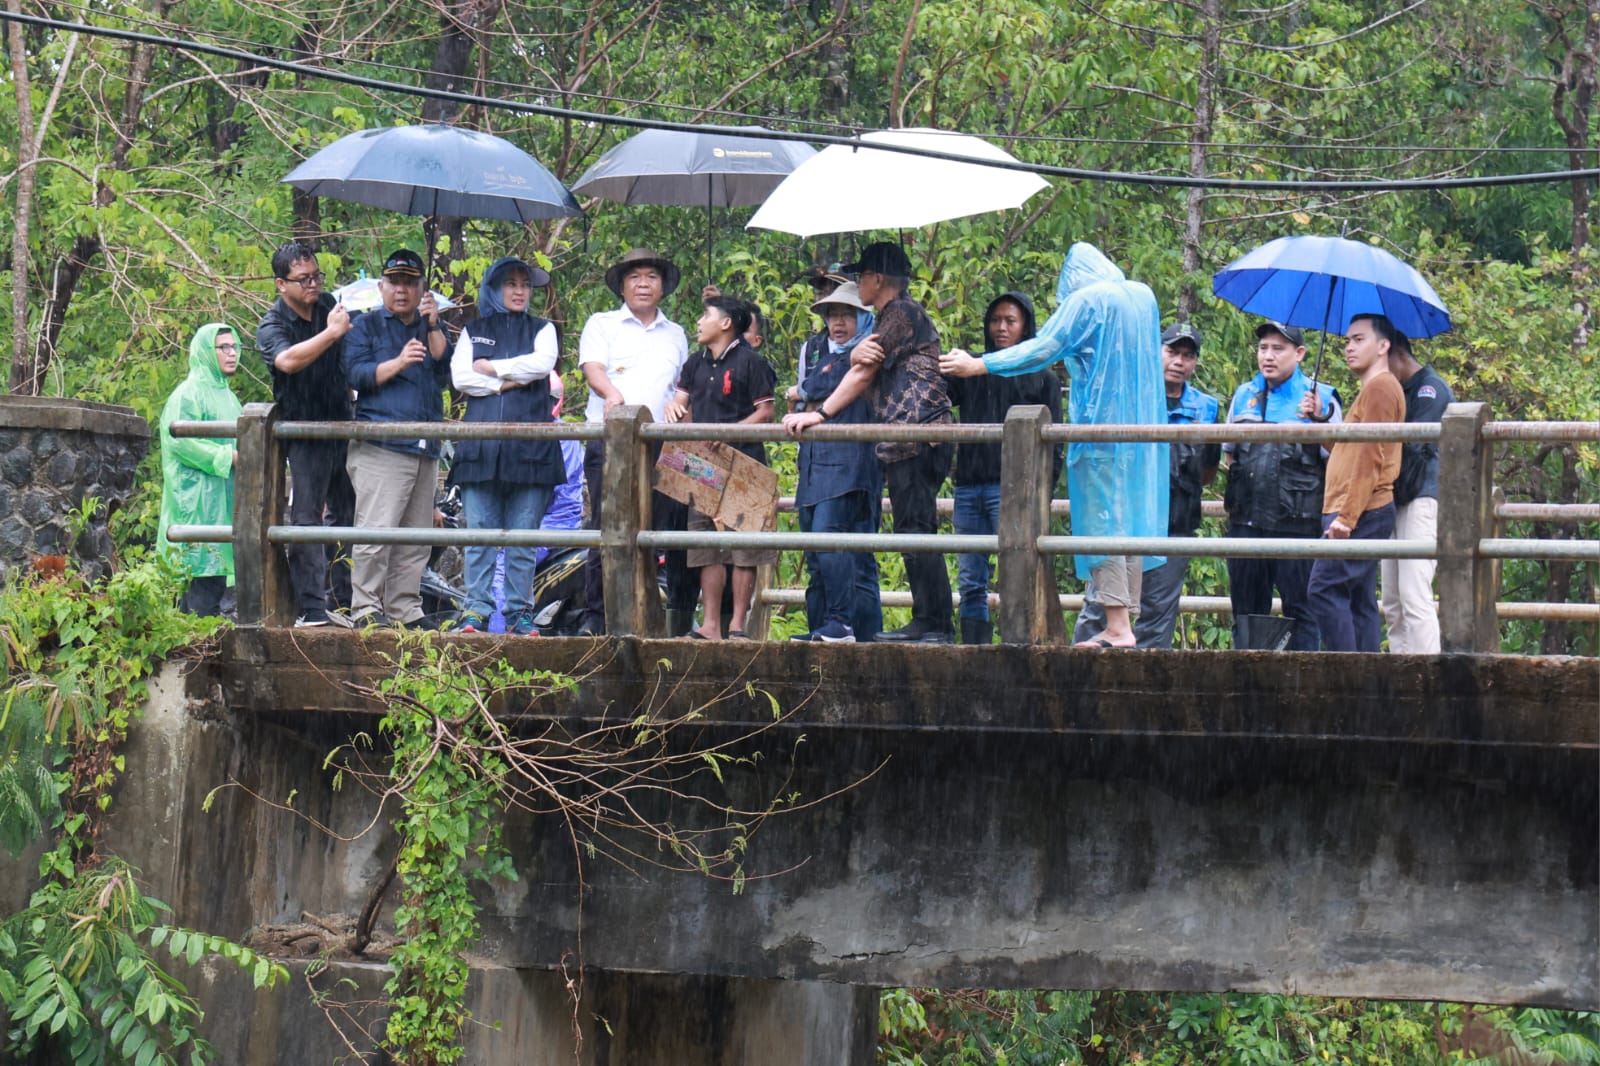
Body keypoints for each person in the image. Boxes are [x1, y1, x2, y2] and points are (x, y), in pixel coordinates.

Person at [941, 242, 1167, 650]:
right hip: (1140, 433)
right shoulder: (1141, 297)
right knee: (1130, 521)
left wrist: (980, 364)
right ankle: (1123, 621)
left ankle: (1116, 625)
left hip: (1101, 429)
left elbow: (1046, 347)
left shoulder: (1090, 299)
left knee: (1103, 525)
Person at [783, 241, 955, 645]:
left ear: (878, 279)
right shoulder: (890, 317)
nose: (857, 284)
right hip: (903, 440)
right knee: (912, 531)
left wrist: (819, 413)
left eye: (861, 276)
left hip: (918, 434)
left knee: (916, 531)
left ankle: (935, 624)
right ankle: (928, 620)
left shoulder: (900, 313)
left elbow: (862, 373)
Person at [1073, 322, 1220, 648]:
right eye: (1172, 352)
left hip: (1175, 526)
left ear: (1195, 362)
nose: (1179, 362)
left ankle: (1147, 695)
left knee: (1158, 617)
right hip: (1126, 523)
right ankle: (1076, 683)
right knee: (1101, 607)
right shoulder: (1131, 395)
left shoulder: (1206, 408)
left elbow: (1208, 471)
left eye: (1188, 355)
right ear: (1156, 351)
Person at [578, 248, 691, 636]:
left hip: (660, 441)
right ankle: (600, 617)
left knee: (652, 530)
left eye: (651, 277)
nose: (643, 284)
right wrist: (611, 393)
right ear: (623, 286)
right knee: (607, 524)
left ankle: (646, 616)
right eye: (635, 277)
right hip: (611, 436)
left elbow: (682, 386)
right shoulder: (603, 323)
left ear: (662, 286)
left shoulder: (675, 333)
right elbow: (592, 368)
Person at [448, 256, 564, 635]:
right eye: (511, 284)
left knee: (522, 536)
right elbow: (462, 378)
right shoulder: (474, 330)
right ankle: (475, 611)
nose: (519, 291)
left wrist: (493, 368)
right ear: (494, 288)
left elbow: (542, 364)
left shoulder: (543, 328)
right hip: (481, 445)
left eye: (525, 284)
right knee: (478, 532)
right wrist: (507, 381)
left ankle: (518, 612)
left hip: (531, 445)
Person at [947, 291, 1062, 646]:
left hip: (1014, 490)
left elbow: (1053, 443)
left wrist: (1043, 491)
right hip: (968, 485)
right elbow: (935, 398)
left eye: (1010, 321)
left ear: (1025, 326)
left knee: (1018, 572)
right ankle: (973, 650)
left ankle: (1018, 647)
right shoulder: (969, 368)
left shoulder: (1042, 377)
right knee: (970, 576)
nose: (1001, 328)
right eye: (995, 320)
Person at [341, 249, 450, 628]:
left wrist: (434, 325)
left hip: (425, 445)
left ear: (422, 288)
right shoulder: (365, 326)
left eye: (410, 282)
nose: (401, 290)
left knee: (415, 536)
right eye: (395, 281)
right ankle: (366, 608)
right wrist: (399, 362)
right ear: (382, 285)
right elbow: (356, 375)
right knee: (376, 531)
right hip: (381, 445)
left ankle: (406, 608)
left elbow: (444, 370)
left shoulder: (430, 325)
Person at [1221, 321, 1342, 651]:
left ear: (1300, 353)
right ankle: (1250, 691)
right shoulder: (1244, 394)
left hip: (1299, 527)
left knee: (1303, 611)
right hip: (1246, 524)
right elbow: (1230, 457)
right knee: (1246, 611)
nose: (1268, 356)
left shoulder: (1323, 398)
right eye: (1263, 348)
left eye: (1278, 348)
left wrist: (1318, 420)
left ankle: (1303, 692)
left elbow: (1341, 460)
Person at [255, 240, 355, 628]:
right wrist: (330, 334)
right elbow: (287, 361)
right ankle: (311, 608)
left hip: (342, 422)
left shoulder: (329, 305)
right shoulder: (273, 324)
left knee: (348, 514)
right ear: (282, 284)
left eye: (317, 276)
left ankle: (343, 599)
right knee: (306, 518)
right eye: (303, 279)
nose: (313, 285)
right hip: (304, 430)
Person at [667, 295, 777, 640]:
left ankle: (738, 625)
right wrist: (675, 409)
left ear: (726, 323)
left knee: (745, 548)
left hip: (746, 461)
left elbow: (766, 412)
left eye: (706, 315)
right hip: (704, 464)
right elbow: (682, 403)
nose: (699, 322)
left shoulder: (752, 362)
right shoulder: (694, 364)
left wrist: (729, 434)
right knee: (705, 545)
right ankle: (711, 624)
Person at [787, 281, 883, 643]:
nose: (838, 322)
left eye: (847, 314)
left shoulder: (870, 349)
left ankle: (849, 627)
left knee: (840, 546)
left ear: (864, 317)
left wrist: (806, 396)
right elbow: (799, 400)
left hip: (853, 462)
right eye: (832, 315)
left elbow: (810, 391)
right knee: (817, 553)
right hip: (814, 462)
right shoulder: (817, 352)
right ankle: (823, 628)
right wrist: (803, 397)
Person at [1306, 314, 1405, 652]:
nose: (1349, 347)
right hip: (1352, 507)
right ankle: (1366, 685)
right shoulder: (1370, 391)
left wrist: (1347, 517)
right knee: (1357, 599)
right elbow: (1350, 450)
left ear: (1383, 345)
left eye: (1359, 339)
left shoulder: (1381, 387)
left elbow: (1371, 457)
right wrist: (1320, 421)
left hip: (1361, 509)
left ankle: (1346, 680)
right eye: (1347, 341)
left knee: (1324, 588)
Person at [158, 323, 242, 616]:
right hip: (195, 501)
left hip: (222, 501)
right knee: (198, 582)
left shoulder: (229, 397)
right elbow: (179, 441)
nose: (232, 354)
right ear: (206, 351)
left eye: (235, 347)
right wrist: (227, 457)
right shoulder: (188, 393)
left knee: (214, 581)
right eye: (224, 348)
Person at [1380, 334, 1454, 653]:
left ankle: (1427, 677)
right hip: (1395, 497)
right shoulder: (1399, 390)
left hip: (1422, 496)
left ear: (1395, 354)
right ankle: (1401, 674)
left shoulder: (1430, 389)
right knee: (1392, 600)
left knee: (1414, 594)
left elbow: (1414, 448)